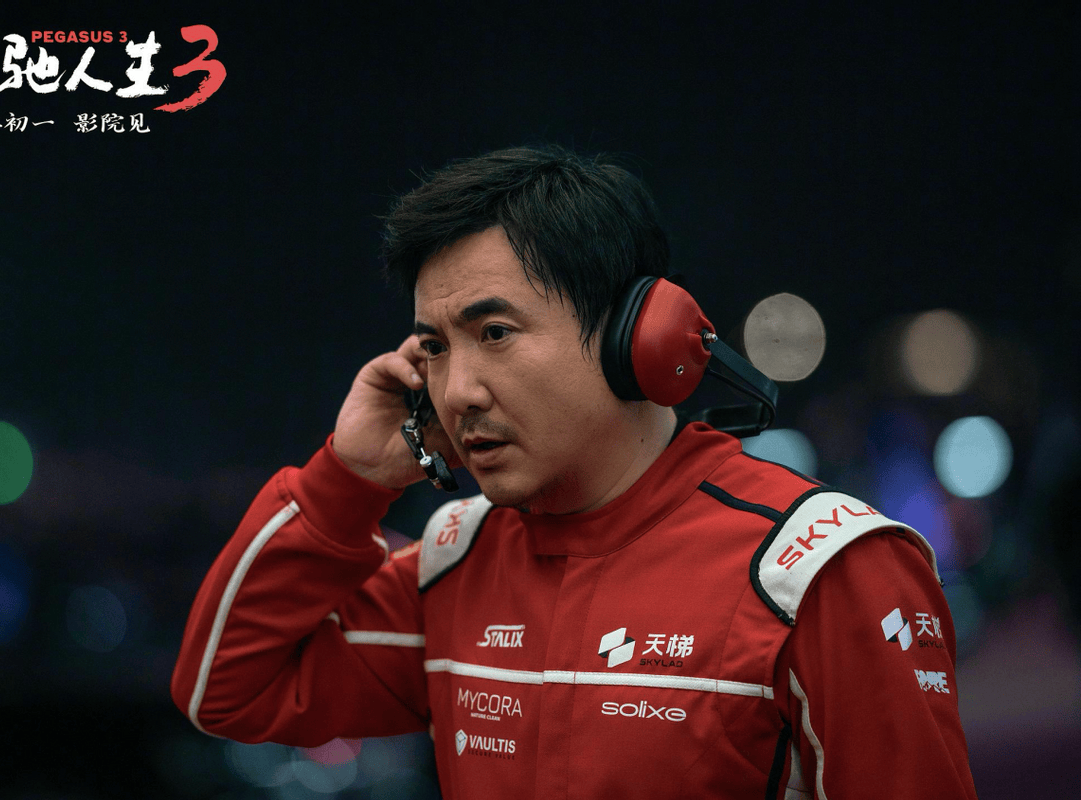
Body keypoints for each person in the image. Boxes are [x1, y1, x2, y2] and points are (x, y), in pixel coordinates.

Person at [171, 146, 978, 798]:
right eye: (435, 348)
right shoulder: (458, 557)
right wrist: (347, 481)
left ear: (642, 336)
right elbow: (225, 690)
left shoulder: (819, 571)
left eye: (494, 332)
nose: (457, 392)